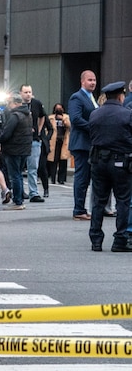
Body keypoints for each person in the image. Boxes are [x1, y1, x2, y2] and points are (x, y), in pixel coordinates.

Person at [86, 81, 132, 252]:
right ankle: (120, 239)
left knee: (98, 200)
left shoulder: (95, 114)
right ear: (121, 96)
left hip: (98, 162)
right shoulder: (127, 114)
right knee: (122, 200)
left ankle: (96, 240)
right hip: (121, 162)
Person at [69, 70, 99, 221]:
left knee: (86, 178)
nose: (93, 82)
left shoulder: (91, 97)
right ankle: (78, 209)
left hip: (90, 143)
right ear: (82, 81)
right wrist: (94, 127)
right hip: (81, 144)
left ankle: (82, 208)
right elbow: (75, 119)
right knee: (81, 178)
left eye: (94, 80)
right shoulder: (77, 97)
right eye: (89, 80)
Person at [0, 93, 31, 211]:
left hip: (13, 149)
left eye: (10, 103)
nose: (8, 106)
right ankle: (19, 198)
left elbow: (7, 133)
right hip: (24, 149)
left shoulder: (15, 115)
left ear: (15, 103)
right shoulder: (27, 115)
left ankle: (17, 201)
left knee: (15, 176)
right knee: (19, 175)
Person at [19, 84, 46, 202]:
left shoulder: (36, 103)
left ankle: (33, 193)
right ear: (21, 93)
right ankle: (19, 191)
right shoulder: (17, 104)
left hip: (34, 139)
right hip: (20, 141)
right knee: (18, 167)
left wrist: (39, 130)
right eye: (25, 92)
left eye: (29, 92)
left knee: (33, 167)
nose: (28, 94)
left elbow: (42, 116)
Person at [47, 103, 71, 185]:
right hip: (54, 141)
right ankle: (53, 178)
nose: (59, 110)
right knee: (53, 160)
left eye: (60, 108)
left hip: (63, 141)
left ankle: (61, 179)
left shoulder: (66, 117)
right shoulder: (51, 118)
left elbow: (69, 125)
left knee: (63, 160)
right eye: (57, 108)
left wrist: (63, 119)